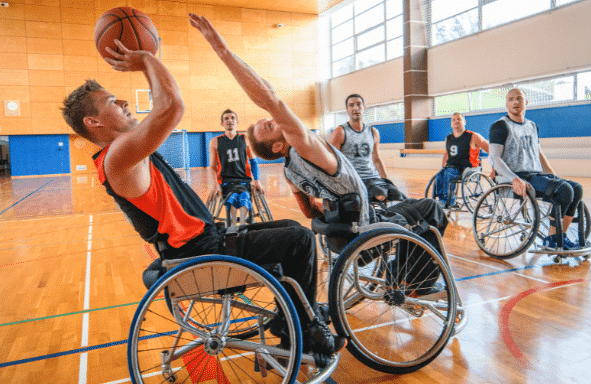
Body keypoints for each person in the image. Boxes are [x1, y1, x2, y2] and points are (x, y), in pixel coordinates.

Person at [61, 38, 343, 362]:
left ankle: (290, 317)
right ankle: (304, 334)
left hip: (207, 241)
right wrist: (145, 60)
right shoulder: (117, 157)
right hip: (202, 252)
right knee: (300, 240)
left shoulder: (126, 152)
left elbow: (163, 107)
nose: (124, 102)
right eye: (112, 101)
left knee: (291, 227)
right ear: (93, 123)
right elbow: (171, 107)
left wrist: (149, 64)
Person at [189, 14, 448, 292]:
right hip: (367, 232)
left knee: (404, 206)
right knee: (431, 209)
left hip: (343, 240)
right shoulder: (306, 146)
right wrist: (222, 50)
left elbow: (310, 211)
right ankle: (413, 282)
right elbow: (269, 97)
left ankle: (402, 275)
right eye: (268, 126)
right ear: (276, 146)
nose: (272, 118)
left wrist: (334, 218)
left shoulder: (290, 172)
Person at [488, 88, 586, 250]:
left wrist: (554, 176)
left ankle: (560, 236)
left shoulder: (532, 126)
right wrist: (514, 178)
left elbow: (539, 154)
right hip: (514, 178)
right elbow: (495, 159)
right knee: (565, 191)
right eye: (511, 99)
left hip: (535, 175)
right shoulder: (500, 126)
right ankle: (552, 240)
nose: (515, 102)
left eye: (519, 99)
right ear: (506, 104)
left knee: (576, 188)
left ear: (526, 102)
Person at [328, 94, 405, 204]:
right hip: (353, 179)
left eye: (358, 104)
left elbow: (377, 160)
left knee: (397, 195)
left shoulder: (373, 132)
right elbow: (331, 161)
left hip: (372, 178)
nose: (355, 108)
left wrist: (387, 181)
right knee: (380, 195)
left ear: (364, 108)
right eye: (351, 105)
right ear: (347, 110)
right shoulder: (340, 132)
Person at [207, 109, 264, 226]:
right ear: (222, 123)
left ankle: (242, 224)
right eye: (226, 118)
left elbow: (253, 162)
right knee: (232, 198)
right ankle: (233, 225)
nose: (230, 120)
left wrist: (257, 181)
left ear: (237, 122)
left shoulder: (246, 139)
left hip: (244, 181)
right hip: (225, 182)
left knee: (244, 197)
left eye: (232, 118)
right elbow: (212, 167)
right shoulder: (215, 141)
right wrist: (214, 185)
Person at [433, 112, 490, 209]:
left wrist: (494, 167)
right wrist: (443, 167)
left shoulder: (473, 136)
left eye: (459, 119)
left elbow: (490, 149)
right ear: (451, 124)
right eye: (453, 120)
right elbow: (446, 153)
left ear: (464, 121)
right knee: (440, 174)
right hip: (453, 166)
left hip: (468, 168)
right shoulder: (449, 138)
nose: (456, 121)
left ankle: (447, 201)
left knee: (449, 173)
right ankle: (440, 199)